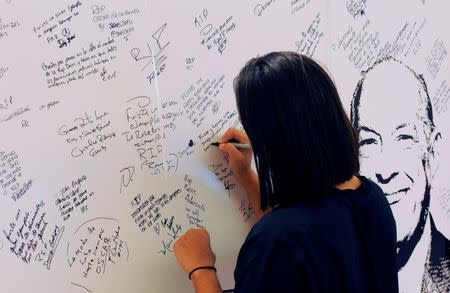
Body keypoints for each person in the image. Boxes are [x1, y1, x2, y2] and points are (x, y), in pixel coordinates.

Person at [174, 52, 398, 292]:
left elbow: (290, 242)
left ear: (272, 142)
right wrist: (246, 174)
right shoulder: (372, 198)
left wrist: (202, 270)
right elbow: (303, 240)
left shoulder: (277, 240)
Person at [350, 57, 450, 292]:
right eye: (369, 142)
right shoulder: (330, 272)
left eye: (404, 138)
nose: (385, 170)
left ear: (432, 153)